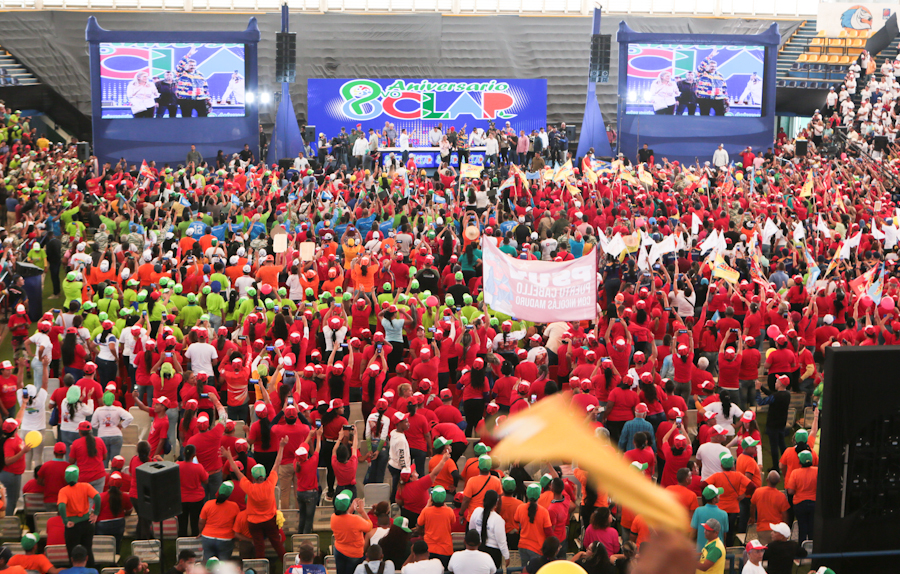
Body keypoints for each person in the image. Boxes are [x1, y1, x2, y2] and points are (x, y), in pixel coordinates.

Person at [221, 435, 289, 559]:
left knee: (259, 547)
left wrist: (229, 456)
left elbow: (237, 471)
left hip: (254, 523)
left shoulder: (249, 487)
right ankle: (286, 564)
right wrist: (281, 446)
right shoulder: (270, 483)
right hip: (269, 520)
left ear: (252, 476)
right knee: (277, 544)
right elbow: (277, 463)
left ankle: (260, 567)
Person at [58, 467, 100, 567]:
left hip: (73, 525)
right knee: (88, 550)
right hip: (87, 523)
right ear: (77, 476)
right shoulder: (85, 486)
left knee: (72, 552)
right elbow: (97, 497)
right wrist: (96, 513)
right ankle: (91, 570)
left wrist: (65, 520)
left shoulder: (63, 491)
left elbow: (61, 506)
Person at [330, 491, 373, 574]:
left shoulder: (333, 518)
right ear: (348, 505)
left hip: (339, 550)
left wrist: (350, 509)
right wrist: (362, 512)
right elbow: (369, 527)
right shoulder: (356, 519)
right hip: (354, 554)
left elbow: (344, 519)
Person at [467, 490, 509, 569]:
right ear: (496, 503)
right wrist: (506, 556)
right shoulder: (498, 520)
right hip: (493, 553)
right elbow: (501, 541)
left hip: (478, 549)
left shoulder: (476, 511)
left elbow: (471, 530)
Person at [199, 481, 240, 561]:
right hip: (226, 539)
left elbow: (201, 521)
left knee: (209, 564)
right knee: (223, 565)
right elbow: (236, 523)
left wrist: (201, 532)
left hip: (207, 537)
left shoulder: (208, 504)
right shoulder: (234, 506)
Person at [750, 471, 789, 545]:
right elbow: (785, 515)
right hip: (777, 531)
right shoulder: (781, 496)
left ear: (767, 480)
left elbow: (752, 505)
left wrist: (752, 517)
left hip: (762, 529)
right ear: (779, 482)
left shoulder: (758, 492)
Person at [690, 486, 729, 553]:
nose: (719, 496)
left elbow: (693, 532)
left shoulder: (698, 511)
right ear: (714, 499)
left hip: (701, 552)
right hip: (717, 551)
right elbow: (724, 534)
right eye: (717, 495)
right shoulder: (724, 514)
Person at [176, 47, 210, 117]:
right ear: (186, 66)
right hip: (186, 99)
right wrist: (189, 55)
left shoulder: (200, 75)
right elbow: (180, 65)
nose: (193, 67)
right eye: (191, 65)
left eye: (194, 65)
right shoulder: (181, 73)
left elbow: (205, 87)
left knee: (203, 116)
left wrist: (208, 99)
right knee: (186, 118)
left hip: (200, 99)